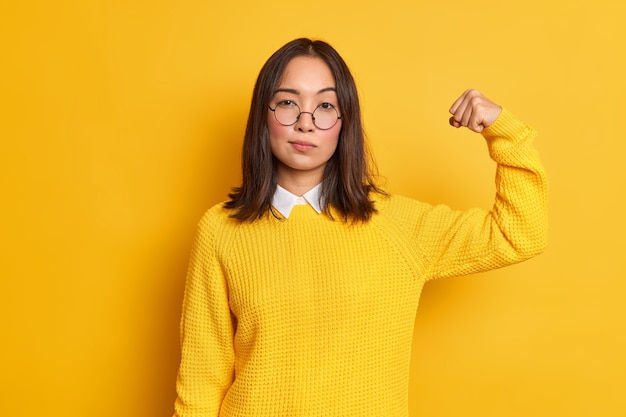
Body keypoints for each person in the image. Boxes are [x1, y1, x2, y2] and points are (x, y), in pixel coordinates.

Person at [172, 38, 548, 417]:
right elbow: (201, 381)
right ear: (262, 114)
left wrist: (505, 133)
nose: (305, 122)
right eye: (288, 102)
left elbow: (519, 234)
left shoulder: (398, 227)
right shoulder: (221, 230)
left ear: (344, 122)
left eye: (325, 106)